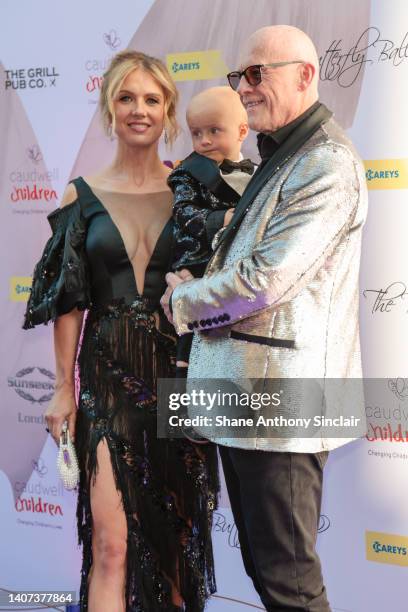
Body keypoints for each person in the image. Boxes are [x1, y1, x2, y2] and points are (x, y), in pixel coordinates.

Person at [162, 25, 368, 612]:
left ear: (305, 75)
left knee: (289, 583)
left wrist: (183, 300)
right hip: (248, 400)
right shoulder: (286, 156)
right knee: (270, 575)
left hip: (280, 404)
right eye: (239, 76)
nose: (244, 88)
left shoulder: (325, 162)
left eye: (257, 74)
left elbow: (263, 281)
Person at [23, 50, 219, 612]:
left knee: (179, 544)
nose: (139, 110)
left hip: (181, 379)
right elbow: (68, 303)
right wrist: (64, 387)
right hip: (108, 378)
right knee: (111, 544)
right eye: (126, 98)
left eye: (152, 100)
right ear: (110, 108)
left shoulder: (193, 194)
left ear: (169, 112)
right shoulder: (79, 198)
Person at [167, 86, 254, 376]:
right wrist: (220, 218)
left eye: (214, 131)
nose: (204, 141)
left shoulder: (260, 173)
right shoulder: (187, 173)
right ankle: (184, 370)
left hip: (239, 271)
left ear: (242, 131)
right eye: (196, 133)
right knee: (192, 319)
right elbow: (183, 212)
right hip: (199, 259)